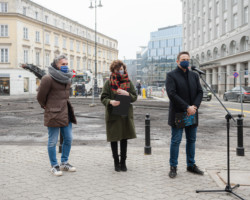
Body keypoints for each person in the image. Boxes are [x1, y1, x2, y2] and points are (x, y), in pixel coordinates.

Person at [37, 55, 77, 176]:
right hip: (53, 113)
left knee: (68, 139)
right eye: (62, 64)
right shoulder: (47, 78)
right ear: (56, 65)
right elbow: (40, 97)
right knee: (52, 141)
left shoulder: (68, 78)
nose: (65, 66)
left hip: (66, 112)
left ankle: (64, 163)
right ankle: (54, 165)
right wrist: (46, 106)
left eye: (66, 64)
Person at [166, 51, 203, 178]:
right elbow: (172, 94)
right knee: (176, 141)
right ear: (177, 61)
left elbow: (200, 92)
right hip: (179, 113)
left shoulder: (194, 75)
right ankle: (173, 166)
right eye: (183, 59)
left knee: (191, 140)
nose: (185, 61)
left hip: (192, 112)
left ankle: (191, 165)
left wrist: (195, 107)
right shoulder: (171, 75)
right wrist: (187, 107)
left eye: (187, 59)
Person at [101, 60, 137, 172]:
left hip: (125, 115)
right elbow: (103, 97)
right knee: (114, 139)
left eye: (122, 69)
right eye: (118, 70)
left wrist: (128, 94)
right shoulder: (108, 83)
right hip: (113, 115)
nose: (120, 71)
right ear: (113, 70)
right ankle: (116, 163)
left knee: (124, 139)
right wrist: (110, 101)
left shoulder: (128, 82)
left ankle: (123, 163)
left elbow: (134, 97)